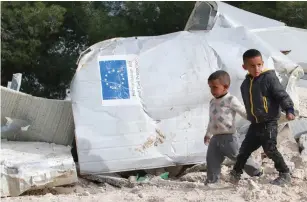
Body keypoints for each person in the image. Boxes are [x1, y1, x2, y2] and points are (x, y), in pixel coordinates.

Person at [229, 49, 295, 186]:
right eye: (252, 66)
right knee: (244, 150)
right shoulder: (245, 85)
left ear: (262, 63)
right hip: (255, 124)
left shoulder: (269, 78)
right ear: (244, 67)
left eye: (259, 64)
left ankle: (285, 174)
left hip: (269, 122)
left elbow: (281, 94)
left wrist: (289, 109)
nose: (257, 68)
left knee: (270, 149)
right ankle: (235, 175)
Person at [204, 70, 262, 185]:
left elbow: (243, 111)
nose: (212, 91)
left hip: (229, 137)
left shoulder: (230, 100)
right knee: (211, 160)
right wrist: (208, 134)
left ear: (225, 87)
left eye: (214, 87)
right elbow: (211, 120)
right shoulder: (212, 102)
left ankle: (256, 171)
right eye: (210, 87)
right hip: (215, 138)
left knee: (239, 157)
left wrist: (255, 119)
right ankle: (212, 181)